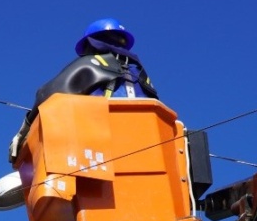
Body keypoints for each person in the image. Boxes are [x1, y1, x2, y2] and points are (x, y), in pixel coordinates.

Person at [8, 18, 158, 163]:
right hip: (145, 147)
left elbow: (47, 94)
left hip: (100, 144)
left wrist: (23, 133)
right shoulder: (142, 76)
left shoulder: (92, 63)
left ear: (91, 43)